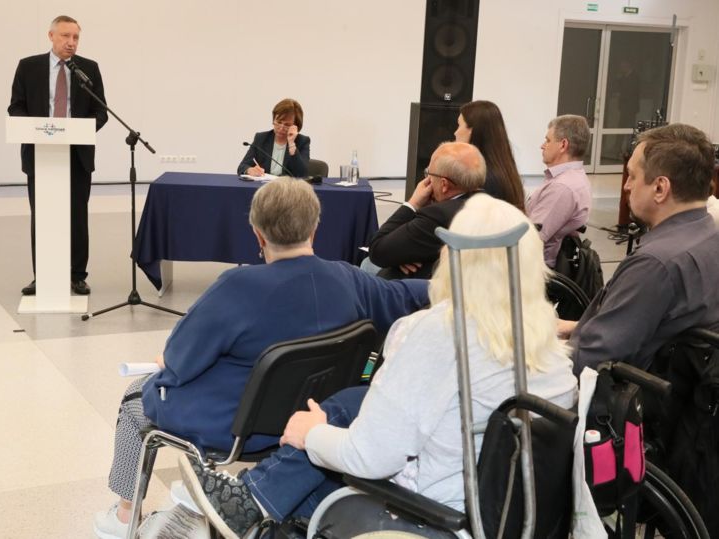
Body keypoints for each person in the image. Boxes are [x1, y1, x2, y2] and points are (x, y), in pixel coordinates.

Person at [170, 194, 578, 538]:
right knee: (349, 405)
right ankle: (247, 499)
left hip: (427, 517)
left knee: (301, 483)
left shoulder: (441, 333)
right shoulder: (553, 352)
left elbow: (370, 458)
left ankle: (244, 503)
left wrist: (312, 434)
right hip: (504, 520)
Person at [93, 178, 430, 538]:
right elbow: (408, 295)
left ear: (258, 234)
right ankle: (193, 509)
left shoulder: (236, 286)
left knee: (135, 397)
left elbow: (179, 361)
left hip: (238, 427)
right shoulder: (349, 279)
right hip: (311, 420)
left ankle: (124, 517)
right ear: (315, 228)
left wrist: (167, 360)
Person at [559, 123, 719, 375]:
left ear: (660, 188)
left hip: (624, 389)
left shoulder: (655, 264)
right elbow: (654, 325)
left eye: (632, 176)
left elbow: (590, 360)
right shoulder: (709, 236)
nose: (626, 186)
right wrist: (576, 327)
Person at [8, 15, 107, 296]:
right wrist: (36, 129)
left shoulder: (88, 69)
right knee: (42, 216)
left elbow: (100, 110)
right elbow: (16, 107)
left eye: (75, 37)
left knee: (77, 217)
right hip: (41, 153)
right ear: (51, 36)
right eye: (65, 36)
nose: (71, 42)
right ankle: (43, 275)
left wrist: (81, 130)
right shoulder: (28, 67)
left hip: (77, 154)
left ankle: (77, 275)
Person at [364, 142, 485, 279]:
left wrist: (412, 204)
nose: (427, 180)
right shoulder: (493, 205)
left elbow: (377, 250)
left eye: (429, 174)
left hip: (430, 287)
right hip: (475, 281)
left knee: (367, 264)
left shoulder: (436, 216)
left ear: (444, 184)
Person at [526, 115, 592, 267]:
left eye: (548, 140)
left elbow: (531, 238)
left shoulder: (562, 188)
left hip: (537, 268)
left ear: (563, 145)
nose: (542, 146)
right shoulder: (574, 178)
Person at [455, 100, 526, 211]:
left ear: (472, 131)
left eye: (459, 126)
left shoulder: (483, 181)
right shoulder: (503, 171)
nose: (455, 132)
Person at [237, 98, 310, 178]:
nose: (281, 128)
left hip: (287, 185)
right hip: (264, 185)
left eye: (287, 125)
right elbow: (242, 166)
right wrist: (249, 170)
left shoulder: (302, 141)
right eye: (278, 122)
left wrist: (292, 144)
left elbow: (302, 174)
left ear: (296, 126)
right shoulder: (261, 138)